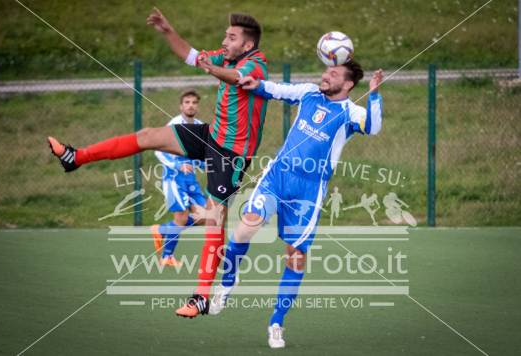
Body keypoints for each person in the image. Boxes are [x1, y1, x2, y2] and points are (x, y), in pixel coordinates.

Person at [48, 8, 268, 318]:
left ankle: (202, 296)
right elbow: (191, 55)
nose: (224, 40)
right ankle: (75, 157)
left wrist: (211, 69)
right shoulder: (227, 56)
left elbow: (238, 78)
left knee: (214, 214)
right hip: (210, 135)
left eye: (231, 37)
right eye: (226, 35)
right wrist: (167, 30)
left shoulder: (256, 64)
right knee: (148, 134)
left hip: (231, 154)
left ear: (247, 44)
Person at [207, 62, 384, 348]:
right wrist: (258, 86)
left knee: (296, 256)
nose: (326, 75)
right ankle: (228, 282)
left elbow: (374, 127)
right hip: (278, 177)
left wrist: (375, 93)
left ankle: (276, 322)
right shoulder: (310, 93)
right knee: (244, 228)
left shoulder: (350, 112)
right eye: (327, 71)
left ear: (349, 84)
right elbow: (279, 90)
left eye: (334, 74)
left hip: (308, 191)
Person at [151, 90, 206, 267]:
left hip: (191, 179)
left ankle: (162, 229)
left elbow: (203, 153)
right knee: (181, 217)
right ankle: (167, 257)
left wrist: (208, 166)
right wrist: (177, 165)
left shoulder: (200, 126)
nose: (191, 105)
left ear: (198, 105)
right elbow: (158, 150)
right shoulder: (174, 125)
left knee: (205, 217)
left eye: (194, 102)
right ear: (181, 106)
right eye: (187, 102)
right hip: (174, 178)